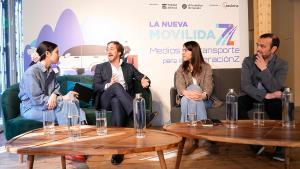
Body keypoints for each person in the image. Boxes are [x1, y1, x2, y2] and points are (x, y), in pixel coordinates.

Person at [19, 41, 87, 162]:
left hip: (46, 105)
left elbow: (56, 89)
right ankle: (69, 148)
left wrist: (55, 96)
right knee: (67, 107)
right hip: (31, 108)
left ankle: (76, 144)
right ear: (47, 53)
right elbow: (36, 99)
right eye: (57, 52)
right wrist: (61, 98)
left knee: (72, 103)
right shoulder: (32, 72)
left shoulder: (51, 71)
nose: (59, 55)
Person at [93, 41, 150, 165]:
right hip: (105, 100)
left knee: (117, 101)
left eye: (112, 49)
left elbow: (143, 77)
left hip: (120, 101)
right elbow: (96, 86)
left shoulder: (128, 67)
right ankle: (137, 114)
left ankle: (118, 152)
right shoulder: (101, 67)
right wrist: (109, 84)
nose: (108, 51)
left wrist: (146, 82)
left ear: (119, 52)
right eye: (107, 49)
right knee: (116, 86)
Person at [238, 33, 288, 161]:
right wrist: (266, 95)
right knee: (237, 103)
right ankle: (254, 144)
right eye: (257, 45)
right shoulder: (248, 61)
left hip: (273, 96)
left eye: (262, 46)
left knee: (279, 105)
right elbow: (245, 86)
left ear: (273, 49)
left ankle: (280, 147)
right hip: (254, 95)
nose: (258, 49)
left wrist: (264, 69)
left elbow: (275, 87)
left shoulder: (282, 64)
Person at [175, 41, 213, 154]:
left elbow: (209, 86)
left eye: (185, 50)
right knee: (189, 96)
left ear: (194, 52)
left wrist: (202, 95)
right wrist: (186, 93)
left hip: (203, 100)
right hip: (187, 98)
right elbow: (179, 85)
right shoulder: (181, 68)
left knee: (192, 90)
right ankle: (201, 137)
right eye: (182, 50)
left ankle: (187, 138)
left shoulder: (206, 67)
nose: (183, 53)